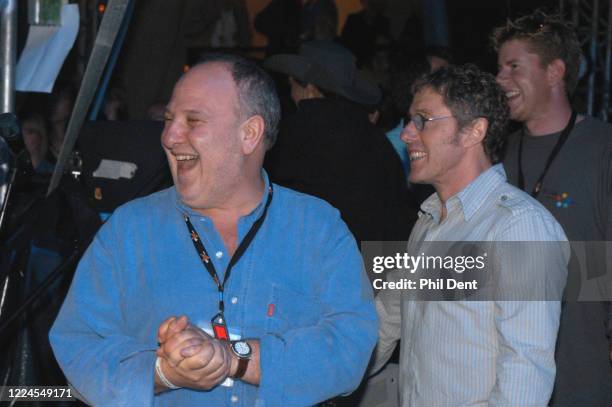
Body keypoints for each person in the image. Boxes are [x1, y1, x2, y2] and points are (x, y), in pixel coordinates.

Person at [49, 53, 378, 406]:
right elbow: (78, 345)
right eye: (170, 119)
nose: (170, 136)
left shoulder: (317, 229)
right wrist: (161, 373)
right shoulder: (128, 230)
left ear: (249, 134)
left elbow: (349, 347)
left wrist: (235, 358)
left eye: (193, 121)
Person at [371, 64, 569, 406]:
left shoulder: (517, 228)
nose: (406, 134)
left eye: (423, 120)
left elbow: (525, 372)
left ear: (473, 131)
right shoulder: (430, 220)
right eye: (408, 120)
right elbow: (386, 320)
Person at [493, 10, 612, 406]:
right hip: (506, 381)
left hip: (581, 377)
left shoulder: (602, 149)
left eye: (513, 67)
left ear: (554, 71)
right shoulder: (499, 154)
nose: (500, 79)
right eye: (500, 68)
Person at [263, 40, 414, 246]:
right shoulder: (373, 137)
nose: (291, 93)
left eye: (292, 84)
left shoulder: (292, 136)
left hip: (331, 266)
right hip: (387, 263)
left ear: (308, 87)